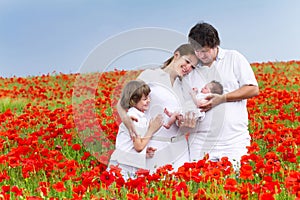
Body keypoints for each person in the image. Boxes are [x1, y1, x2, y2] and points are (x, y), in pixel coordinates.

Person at [185, 22, 259, 171]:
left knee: (237, 181)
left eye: (204, 51)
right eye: (197, 51)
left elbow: (252, 89)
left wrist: (222, 99)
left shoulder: (233, 58)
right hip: (200, 141)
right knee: (200, 186)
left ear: (215, 45)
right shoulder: (191, 68)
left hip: (233, 139)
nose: (200, 55)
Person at [117, 44, 199, 173]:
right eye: (187, 62)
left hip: (181, 148)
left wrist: (186, 122)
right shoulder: (150, 75)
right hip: (155, 146)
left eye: (192, 67)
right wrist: (129, 124)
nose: (188, 68)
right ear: (176, 55)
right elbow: (122, 104)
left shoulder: (184, 85)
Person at [108, 80, 163, 180]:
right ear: (133, 100)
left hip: (125, 163)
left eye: (148, 97)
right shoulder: (134, 118)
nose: (149, 101)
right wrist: (152, 129)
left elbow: (133, 145)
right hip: (124, 167)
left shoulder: (138, 115)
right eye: (145, 99)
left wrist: (144, 153)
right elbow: (138, 146)